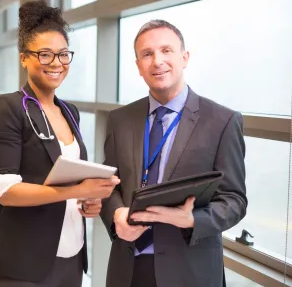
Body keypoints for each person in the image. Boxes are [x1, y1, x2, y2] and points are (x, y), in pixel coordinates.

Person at [100, 19, 247, 287]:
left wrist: (192, 219)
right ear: (138, 67)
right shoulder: (120, 119)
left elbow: (234, 200)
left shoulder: (222, 121)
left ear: (184, 57)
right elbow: (109, 185)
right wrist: (116, 215)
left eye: (166, 50)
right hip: (128, 269)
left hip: (189, 272)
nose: (157, 61)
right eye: (147, 54)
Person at [0, 0, 119, 286]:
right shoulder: (9, 107)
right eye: (45, 55)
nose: (56, 63)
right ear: (24, 58)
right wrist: (75, 190)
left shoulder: (70, 111)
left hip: (72, 255)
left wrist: (87, 199)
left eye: (63, 54)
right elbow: (5, 190)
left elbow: (68, 176)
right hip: (25, 262)